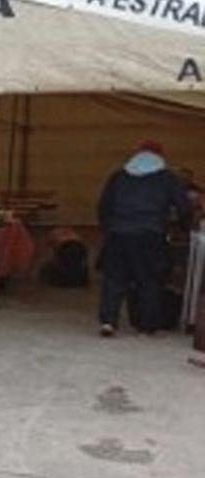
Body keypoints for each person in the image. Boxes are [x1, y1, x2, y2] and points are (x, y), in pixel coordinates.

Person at [96, 141, 192, 337]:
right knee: (149, 280)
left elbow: (103, 206)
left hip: (119, 234)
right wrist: (185, 227)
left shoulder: (119, 176)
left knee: (114, 279)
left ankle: (108, 322)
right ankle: (147, 326)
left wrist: (109, 228)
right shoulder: (167, 178)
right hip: (150, 235)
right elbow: (183, 207)